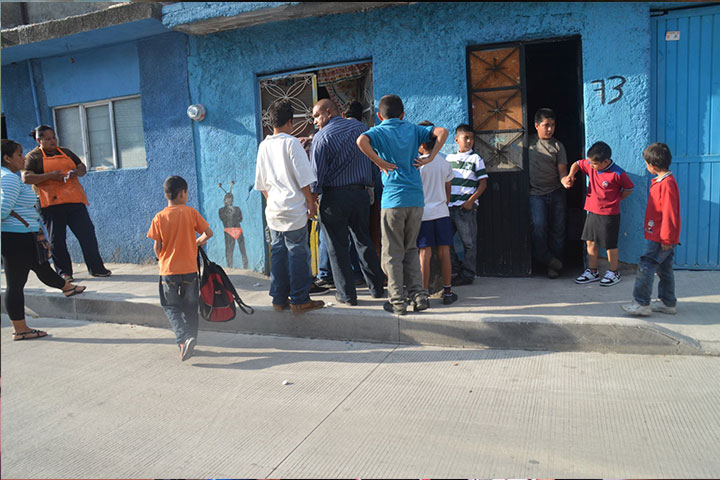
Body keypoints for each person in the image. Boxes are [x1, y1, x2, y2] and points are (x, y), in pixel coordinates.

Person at [356, 94, 448, 315]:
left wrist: (379, 162)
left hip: (393, 201)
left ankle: (397, 301)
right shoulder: (414, 129)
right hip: (416, 200)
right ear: (403, 114)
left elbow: (361, 141)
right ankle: (419, 296)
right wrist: (431, 157)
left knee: (391, 254)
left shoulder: (379, 131)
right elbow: (442, 131)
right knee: (411, 249)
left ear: (379, 116)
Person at [2, 139, 86, 341]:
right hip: (16, 237)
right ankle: (21, 330)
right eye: (19, 154)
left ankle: (66, 287)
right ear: (7, 158)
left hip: (21, 235)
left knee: (41, 266)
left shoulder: (6, 176)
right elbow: (2, 210)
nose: (24, 158)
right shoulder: (9, 179)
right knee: (16, 284)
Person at [310, 98, 385, 306]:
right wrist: (371, 184)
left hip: (333, 197)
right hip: (360, 195)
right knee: (364, 241)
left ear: (328, 112)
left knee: (337, 247)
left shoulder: (322, 137)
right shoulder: (362, 129)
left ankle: (347, 295)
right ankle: (377, 287)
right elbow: (373, 160)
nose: (315, 121)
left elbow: (316, 176)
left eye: (316, 116)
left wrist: (313, 199)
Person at [254, 100, 325, 314]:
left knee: (278, 254)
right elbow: (304, 179)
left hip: (274, 210)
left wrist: (273, 202)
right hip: (293, 209)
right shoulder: (292, 143)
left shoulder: (264, 145)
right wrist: (311, 203)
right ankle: (299, 299)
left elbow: (261, 185)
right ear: (290, 122)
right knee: (298, 255)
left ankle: (278, 298)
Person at [22, 125, 111, 282]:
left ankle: (97, 268)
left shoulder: (66, 152)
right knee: (57, 239)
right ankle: (64, 273)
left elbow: (82, 167)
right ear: (39, 140)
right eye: (48, 139)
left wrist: (77, 171)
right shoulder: (33, 157)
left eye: (54, 137)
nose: (53, 141)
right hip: (49, 204)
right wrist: (50, 176)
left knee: (87, 234)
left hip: (74, 200)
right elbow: (26, 177)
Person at [147, 175, 213, 361]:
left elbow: (157, 246)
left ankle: (183, 340)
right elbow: (208, 233)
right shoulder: (191, 213)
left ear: (166, 195)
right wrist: (196, 242)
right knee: (191, 307)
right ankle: (191, 339)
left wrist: (161, 258)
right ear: (183, 193)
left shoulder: (159, 217)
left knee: (171, 306)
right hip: (190, 270)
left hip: (168, 271)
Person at [562, 141, 634, 286]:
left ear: (605, 161)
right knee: (590, 242)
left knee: (610, 245)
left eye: (595, 164)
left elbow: (629, 188)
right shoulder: (591, 165)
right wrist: (570, 175)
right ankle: (592, 271)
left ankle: (614, 272)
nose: (591, 166)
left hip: (609, 214)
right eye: (590, 163)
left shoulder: (618, 173)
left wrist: (617, 199)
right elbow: (577, 164)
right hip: (592, 212)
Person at [622, 143, 681, 316]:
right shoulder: (663, 181)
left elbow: (670, 213)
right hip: (662, 235)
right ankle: (668, 302)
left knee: (646, 266)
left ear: (652, 166)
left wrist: (667, 239)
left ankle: (641, 303)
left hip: (661, 237)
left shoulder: (666, 184)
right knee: (665, 269)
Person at [416, 121, 458, 305]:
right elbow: (448, 191)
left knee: (424, 253)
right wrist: (443, 205)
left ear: (421, 144)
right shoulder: (444, 163)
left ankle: (423, 294)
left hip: (423, 214)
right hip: (442, 212)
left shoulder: (418, 165)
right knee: (444, 252)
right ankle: (447, 291)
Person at [445, 124, 488, 286]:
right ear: (457, 140)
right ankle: (456, 269)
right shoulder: (449, 159)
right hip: (449, 207)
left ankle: (468, 274)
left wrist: (471, 201)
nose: (469, 141)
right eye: (466, 138)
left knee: (469, 243)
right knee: (445, 241)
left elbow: (483, 183)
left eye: (472, 138)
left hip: (466, 209)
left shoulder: (476, 159)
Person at [528, 108, 568, 279]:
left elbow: (562, 171)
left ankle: (554, 266)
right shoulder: (527, 143)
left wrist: (565, 180)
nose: (550, 129)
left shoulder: (558, 146)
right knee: (538, 227)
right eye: (546, 125)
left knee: (558, 230)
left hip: (556, 192)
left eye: (552, 125)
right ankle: (547, 259)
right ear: (536, 125)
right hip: (535, 194)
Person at [218, 185, 249, 269]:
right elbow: (240, 219)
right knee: (242, 250)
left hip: (228, 230)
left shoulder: (221, 210)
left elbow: (222, 219)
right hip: (237, 229)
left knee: (229, 251)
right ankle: (245, 266)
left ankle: (230, 266)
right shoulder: (237, 209)